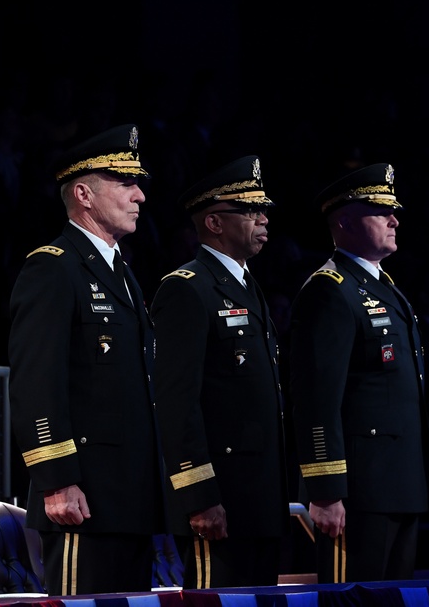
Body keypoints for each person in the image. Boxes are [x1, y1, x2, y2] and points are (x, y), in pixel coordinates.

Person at [7, 124, 165, 595]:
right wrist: (56, 479)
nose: (139, 195)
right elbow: (37, 381)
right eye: (125, 183)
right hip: (83, 497)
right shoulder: (53, 267)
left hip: (129, 497)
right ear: (84, 193)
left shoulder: (123, 273)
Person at [288, 162, 429, 583]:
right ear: (345, 221)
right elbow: (316, 399)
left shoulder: (384, 288)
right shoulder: (330, 291)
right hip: (358, 492)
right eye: (380, 211)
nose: (394, 219)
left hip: (400, 483)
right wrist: (326, 489)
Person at [150, 155, 290, 588]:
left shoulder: (247, 285)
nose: (263, 218)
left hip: (259, 497)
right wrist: (199, 496)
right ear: (214, 222)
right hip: (221, 499)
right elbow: (176, 402)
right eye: (250, 210)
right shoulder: (187, 289)